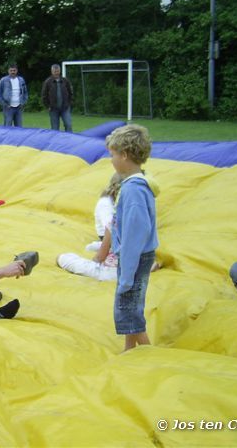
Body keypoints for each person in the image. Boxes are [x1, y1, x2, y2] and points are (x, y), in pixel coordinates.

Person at [106, 124, 159, 351]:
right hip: (135, 256)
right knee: (131, 306)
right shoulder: (136, 184)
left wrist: (127, 276)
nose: (111, 160)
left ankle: (149, 354)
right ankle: (130, 349)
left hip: (135, 258)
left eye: (113, 155)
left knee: (129, 309)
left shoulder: (133, 190)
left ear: (125, 155)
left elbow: (135, 235)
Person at [57, 174, 122, 281]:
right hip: (124, 254)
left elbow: (111, 231)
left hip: (114, 269)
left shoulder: (118, 219)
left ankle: (104, 249)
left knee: (63, 258)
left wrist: (98, 258)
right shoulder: (110, 205)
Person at [41, 64, 74, 132]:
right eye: (55, 71)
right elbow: (44, 96)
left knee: (68, 125)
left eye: (57, 71)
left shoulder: (65, 81)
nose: (56, 73)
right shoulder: (48, 82)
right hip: (53, 109)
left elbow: (70, 93)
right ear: (52, 71)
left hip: (65, 108)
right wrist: (48, 106)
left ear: (60, 71)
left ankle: (69, 140)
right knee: (55, 128)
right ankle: (55, 142)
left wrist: (69, 103)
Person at [0, 63, 28, 127]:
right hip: (8, 108)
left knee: (19, 127)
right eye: (11, 70)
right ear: (8, 71)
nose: (13, 72)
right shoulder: (3, 80)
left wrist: (23, 103)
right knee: (7, 127)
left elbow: (25, 92)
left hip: (19, 107)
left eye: (14, 70)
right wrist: (4, 104)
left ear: (17, 71)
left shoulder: (21, 80)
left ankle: (18, 137)